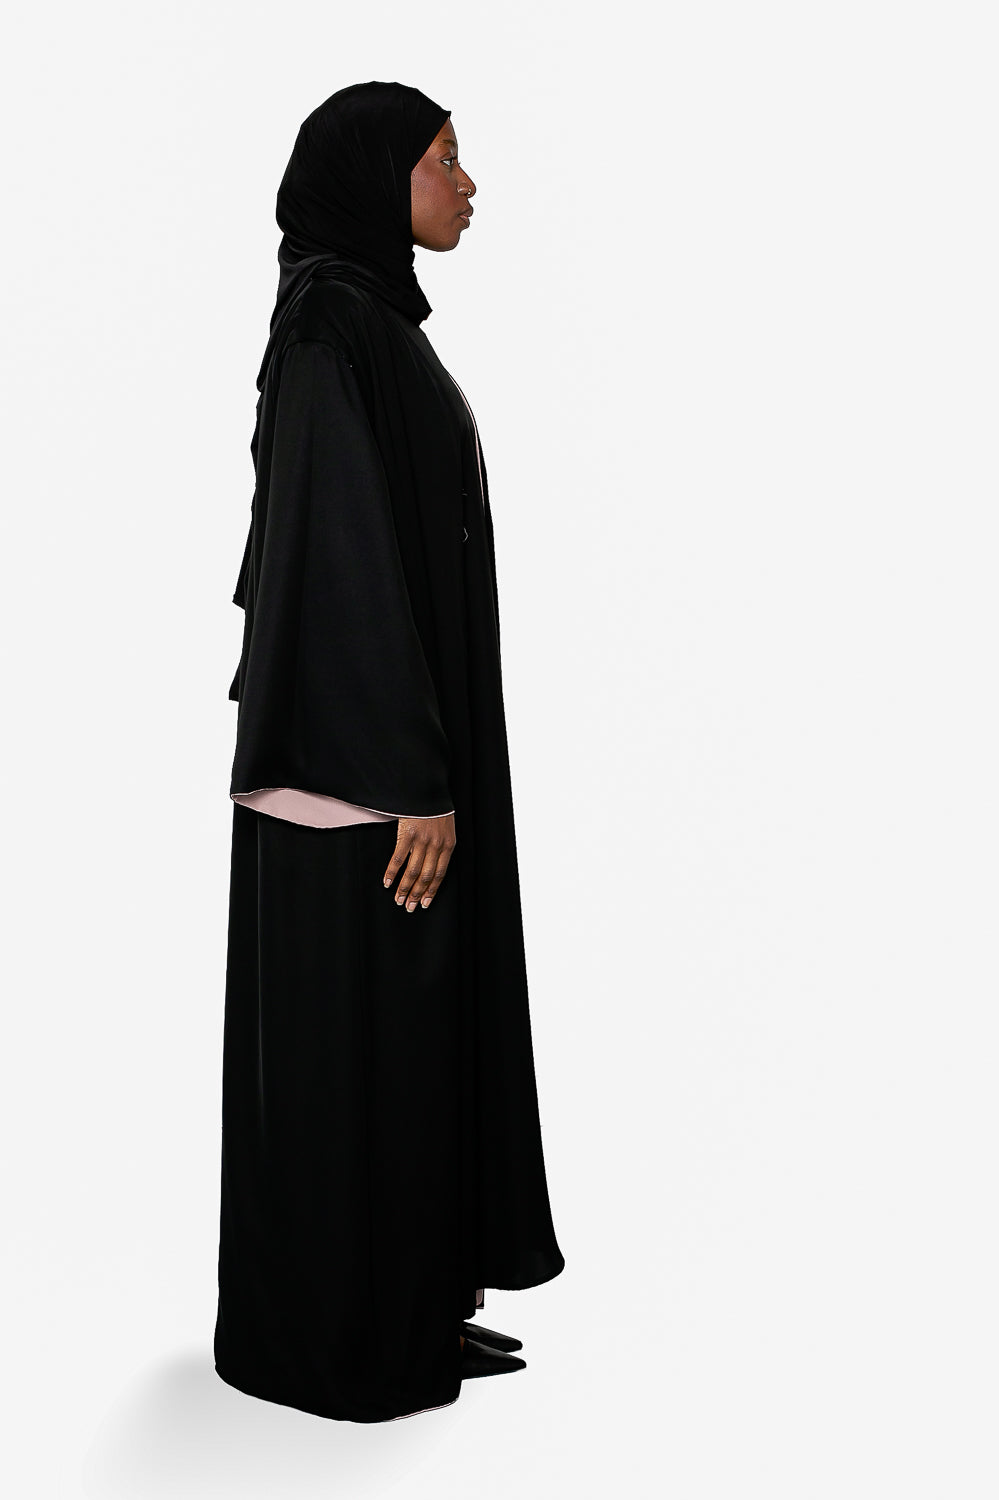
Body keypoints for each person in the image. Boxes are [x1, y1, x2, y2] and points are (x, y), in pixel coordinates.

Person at [214, 80, 565, 1425]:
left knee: (410, 1047)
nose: (467, 185)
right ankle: (337, 1342)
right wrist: (410, 777)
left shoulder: (367, 320)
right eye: (443, 158)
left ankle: (409, 1305)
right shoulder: (330, 324)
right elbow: (341, 555)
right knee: (357, 1051)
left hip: (400, 752)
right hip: (356, 780)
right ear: (376, 178)